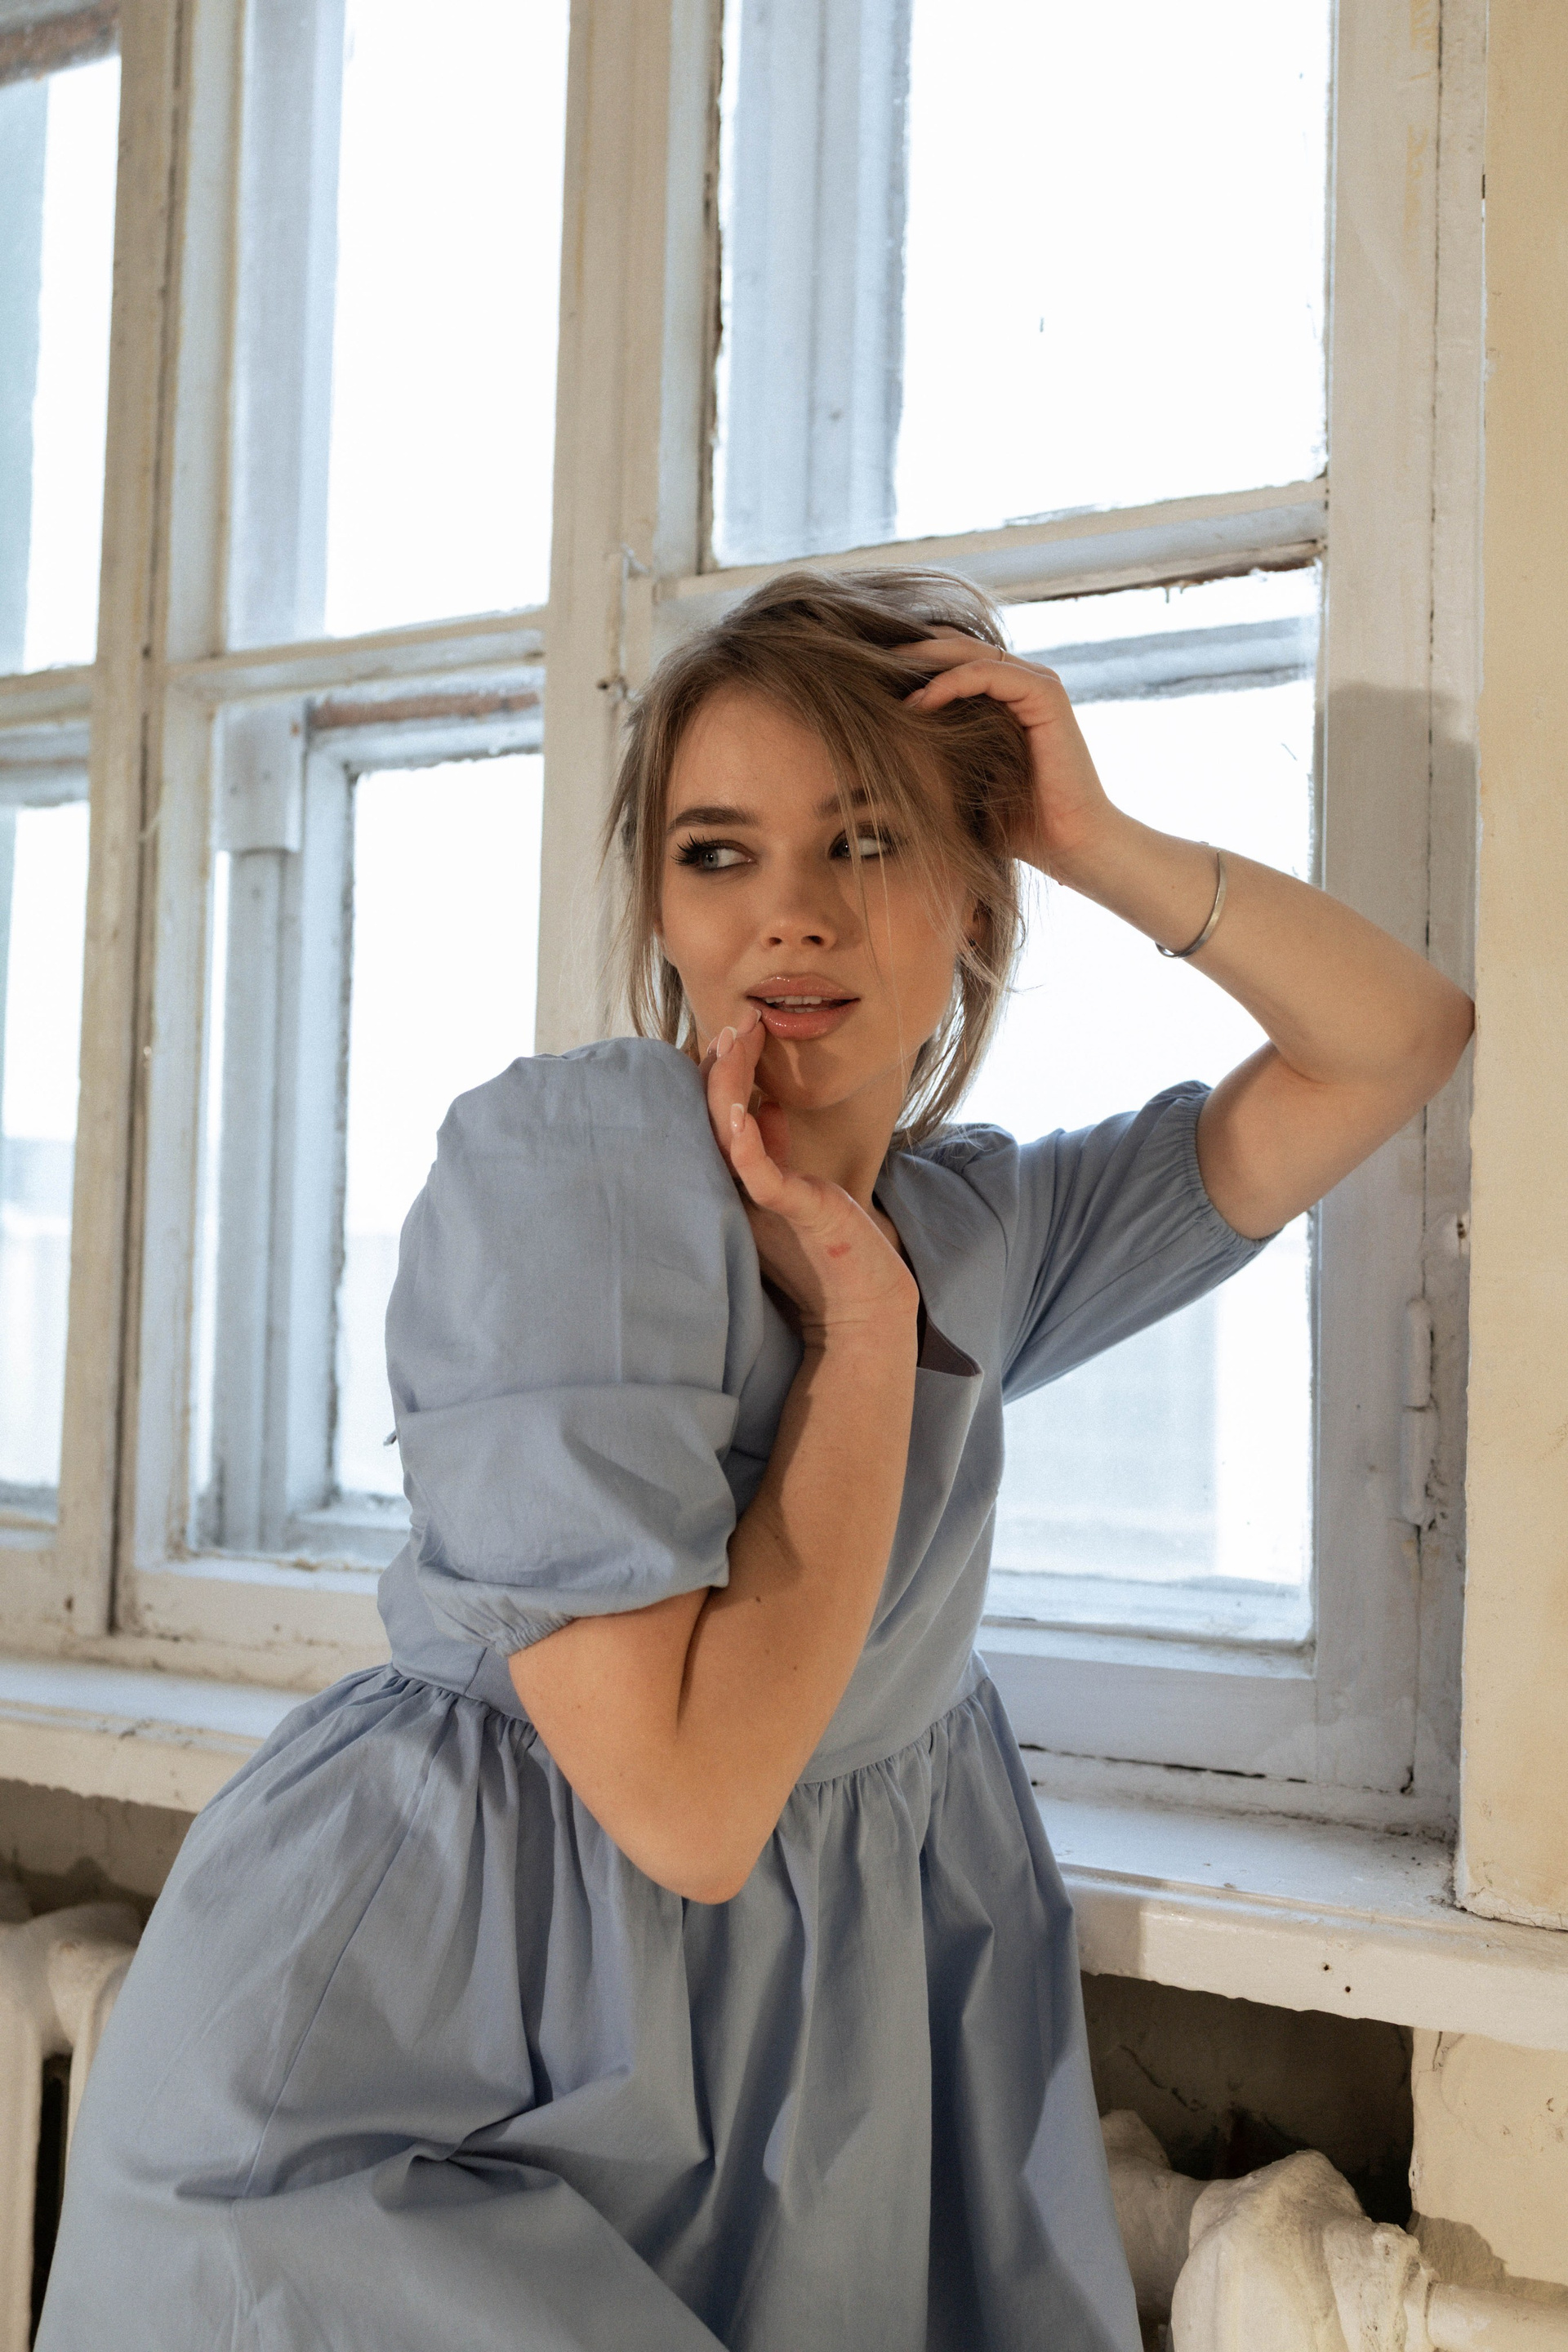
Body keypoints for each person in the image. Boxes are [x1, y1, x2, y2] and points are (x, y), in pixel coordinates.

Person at [38, 569, 1472, 2352]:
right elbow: (693, 1811)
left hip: (806, 2072)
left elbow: (1395, 1039)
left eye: (865, 843)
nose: (788, 914)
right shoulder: (577, 1182)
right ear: (662, 904)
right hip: (415, 2088)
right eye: (717, 853)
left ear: (974, 899)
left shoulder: (977, 1233)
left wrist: (1089, 836)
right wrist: (862, 1334)